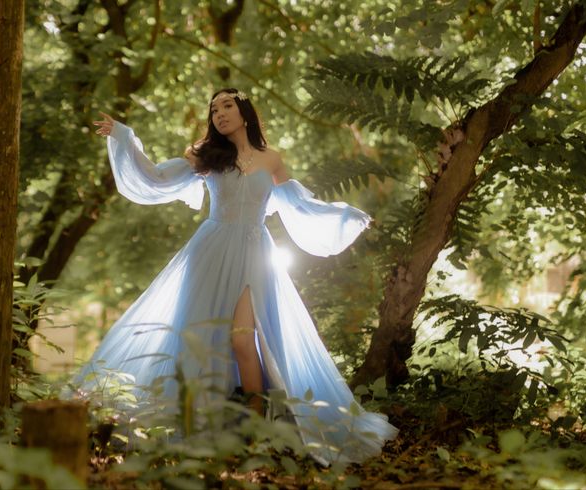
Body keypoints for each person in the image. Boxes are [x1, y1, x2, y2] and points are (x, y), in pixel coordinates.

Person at [73, 88, 397, 464]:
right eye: (213, 109)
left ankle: (255, 433)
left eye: (227, 106)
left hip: (256, 255)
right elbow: (157, 177)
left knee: (244, 343)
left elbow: (300, 205)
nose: (219, 113)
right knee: (196, 338)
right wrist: (124, 137)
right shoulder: (205, 154)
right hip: (210, 252)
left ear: (244, 111)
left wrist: (345, 216)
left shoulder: (271, 158)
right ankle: (195, 423)